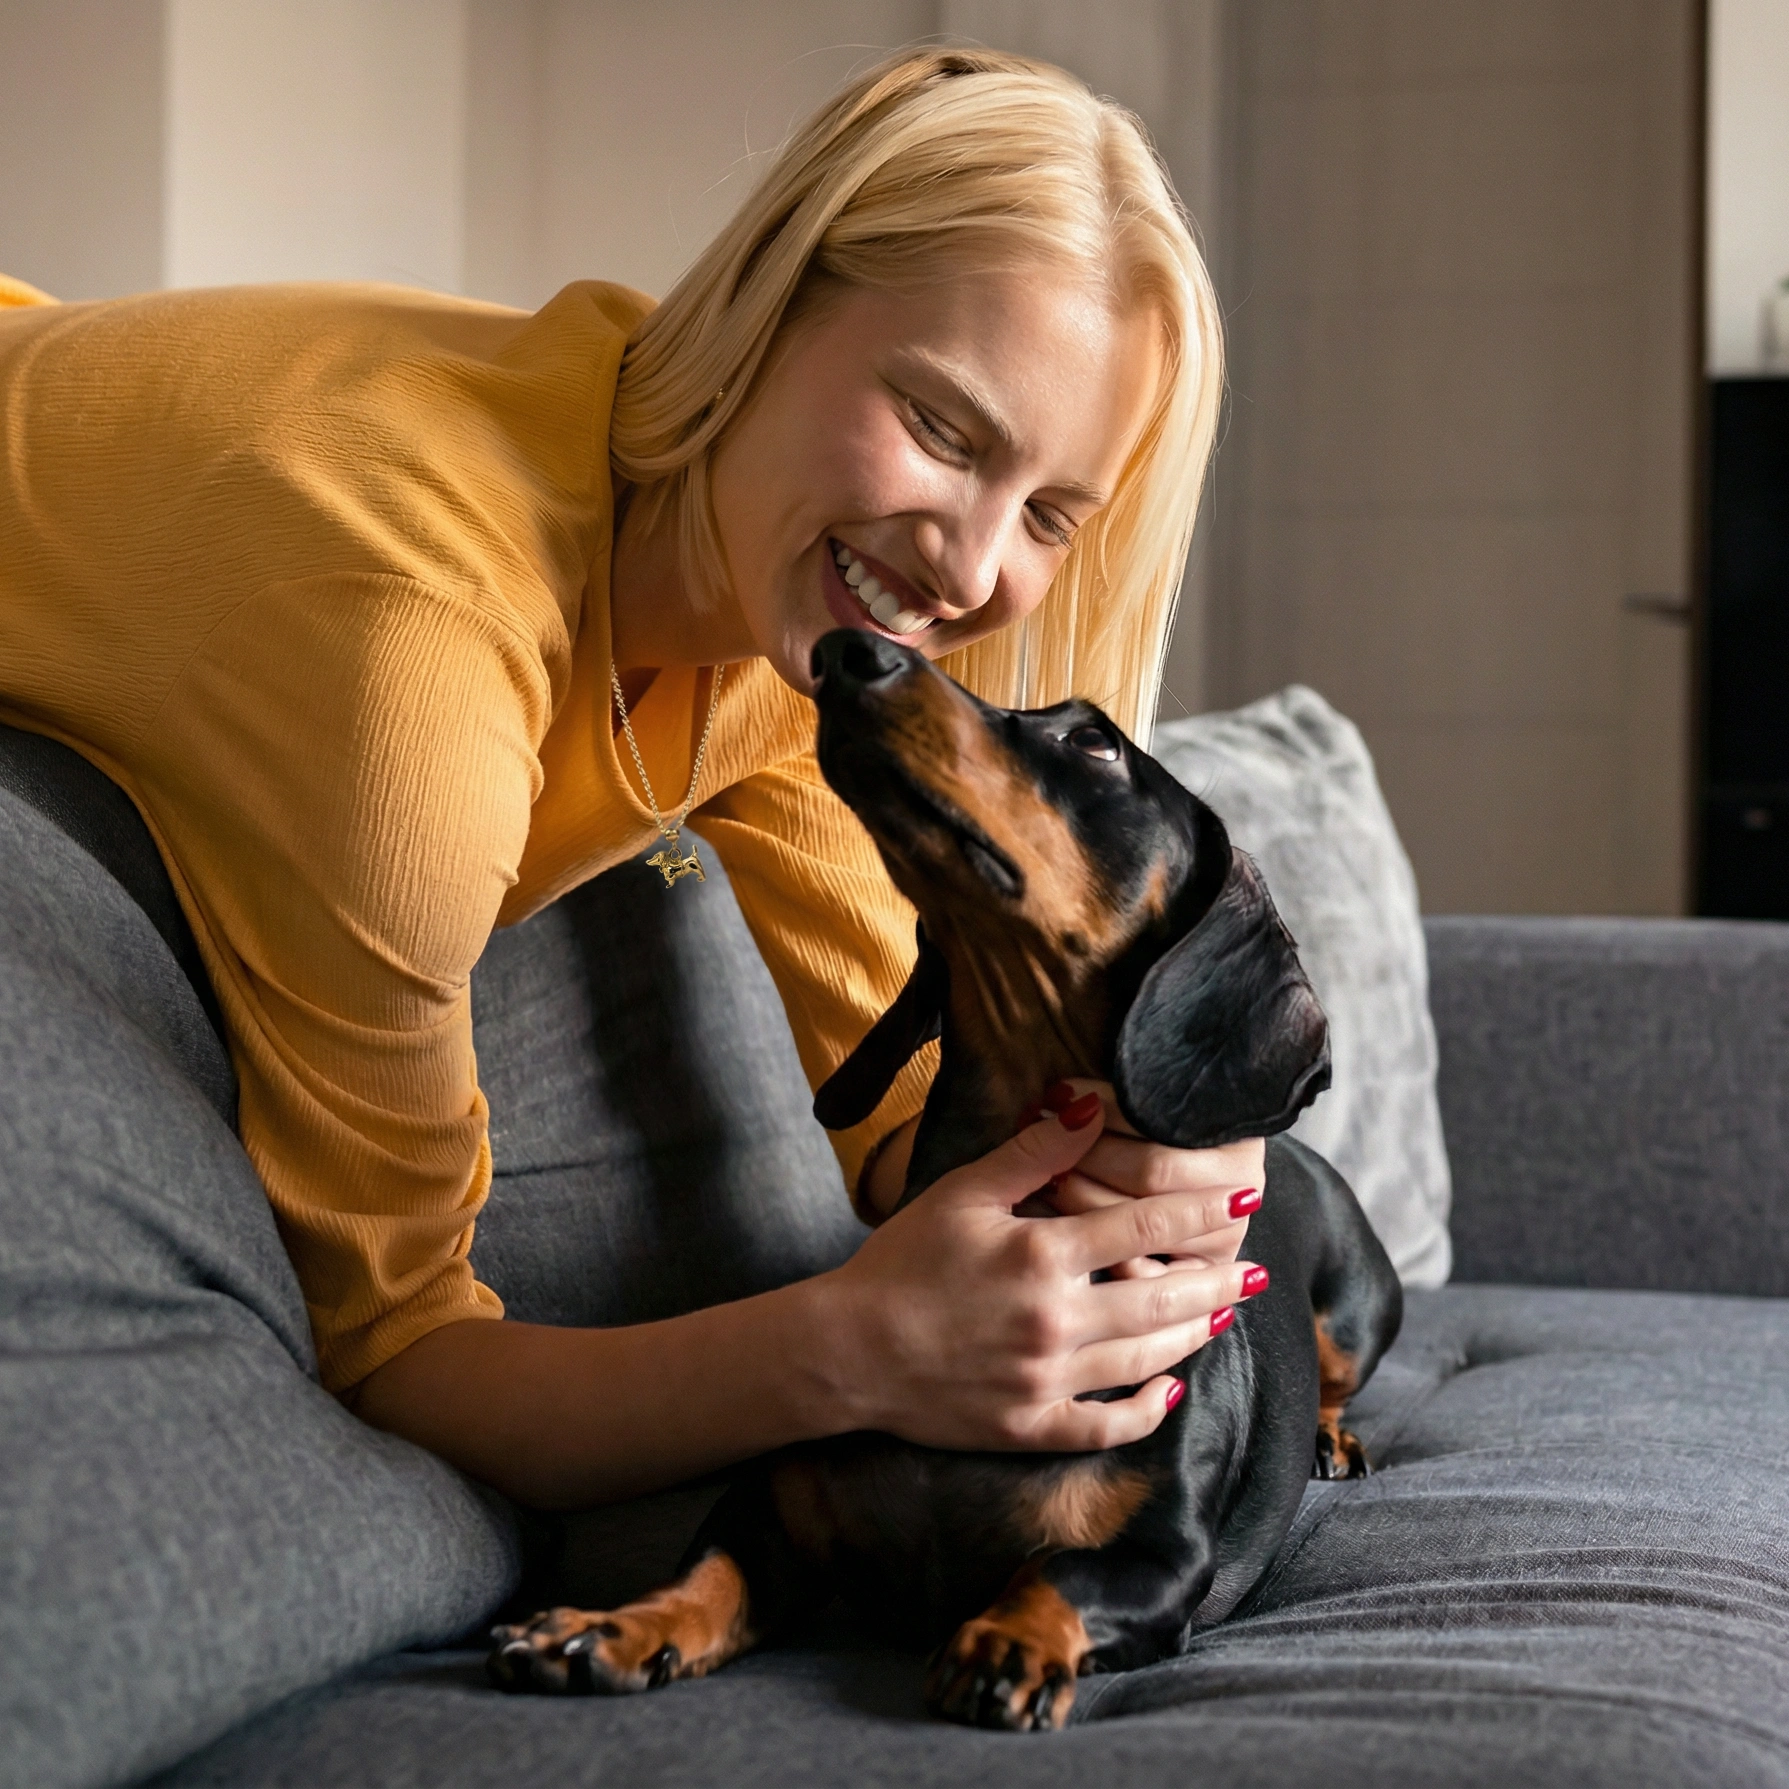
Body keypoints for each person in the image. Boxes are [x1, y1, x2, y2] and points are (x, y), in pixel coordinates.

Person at [0, 47, 1263, 1512]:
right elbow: (398, 1349)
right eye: (939, 428)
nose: (974, 572)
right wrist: (849, 1351)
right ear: (767, 306)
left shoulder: (783, 625)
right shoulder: (412, 647)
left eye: (1049, 511)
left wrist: (1159, 1141)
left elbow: (914, 1121)